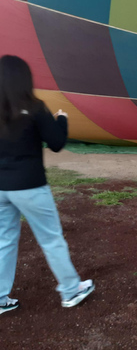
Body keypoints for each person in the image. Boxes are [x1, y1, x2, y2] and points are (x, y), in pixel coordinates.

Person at [0, 55, 94, 314]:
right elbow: (56, 143)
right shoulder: (35, 108)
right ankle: (71, 290)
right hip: (29, 186)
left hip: (1, 188)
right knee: (51, 239)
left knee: (4, 240)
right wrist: (61, 119)